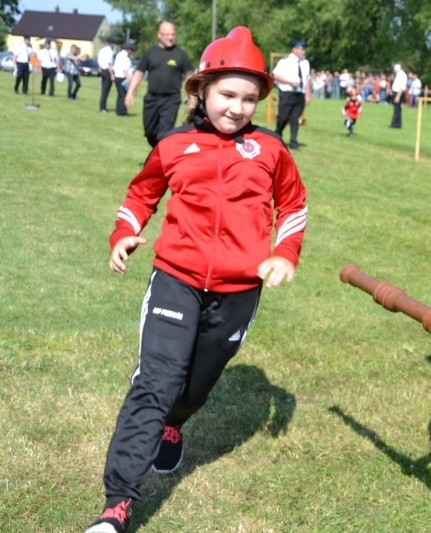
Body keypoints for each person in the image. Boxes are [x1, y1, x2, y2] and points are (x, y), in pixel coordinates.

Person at [84, 26, 308, 533]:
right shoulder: (174, 144)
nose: (237, 107)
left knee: (193, 388)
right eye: (227, 94)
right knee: (155, 382)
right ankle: (117, 505)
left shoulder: (271, 150)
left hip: (238, 292)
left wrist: (285, 253)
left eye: (249, 98)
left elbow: (294, 205)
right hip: (175, 280)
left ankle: (175, 423)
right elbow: (141, 194)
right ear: (201, 90)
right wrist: (123, 232)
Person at [124, 21, 194, 147]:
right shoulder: (150, 53)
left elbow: (189, 77)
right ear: (159, 35)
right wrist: (130, 93)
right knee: (150, 132)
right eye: (167, 34)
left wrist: (192, 100)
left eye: (173, 34)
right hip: (152, 98)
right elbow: (139, 73)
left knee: (164, 134)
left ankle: (162, 156)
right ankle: (158, 151)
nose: (170, 37)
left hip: (171, 100)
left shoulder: (181, 54)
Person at [272, 40, 311, 150]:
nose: (304, 51)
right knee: (283, 117)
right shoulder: (285, 61)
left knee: (295, 118)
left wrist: (308, 94)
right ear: (295, 50)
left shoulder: (305, 63)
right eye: (302, 49)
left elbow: (307, 80)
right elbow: (275, 75)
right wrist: (289, 82)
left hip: (300, 94)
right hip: (287, 93)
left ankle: (294, 141)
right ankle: (277, 133)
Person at [113, 42, 135, 116]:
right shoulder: (125, 57)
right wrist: (128, 79)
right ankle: (122, 111)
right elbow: (125, 69)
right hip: (123, 78)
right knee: (123, 95)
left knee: (120, 95)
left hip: (118, 77)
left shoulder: (119, 55)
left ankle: (119, 110)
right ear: (128, 49)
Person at [98, 37, 117, 113]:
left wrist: (100, 74)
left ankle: (102, 106)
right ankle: (103, 107)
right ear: (112, 44)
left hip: (102, 71)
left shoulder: (101, 50)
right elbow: (109, 64)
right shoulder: (110, 52)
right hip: (108, 71)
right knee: (106, 90)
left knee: (104, 90)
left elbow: (100, 63)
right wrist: (112, 75)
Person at [389, 63, 407, 128]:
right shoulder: (399, 74)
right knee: (398, 109)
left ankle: (394, 124)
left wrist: (398, 96)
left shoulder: (401, 75)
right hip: (397, 93)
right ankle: (398, 124)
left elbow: (402, 87)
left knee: (397, 109)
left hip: (398, 93)